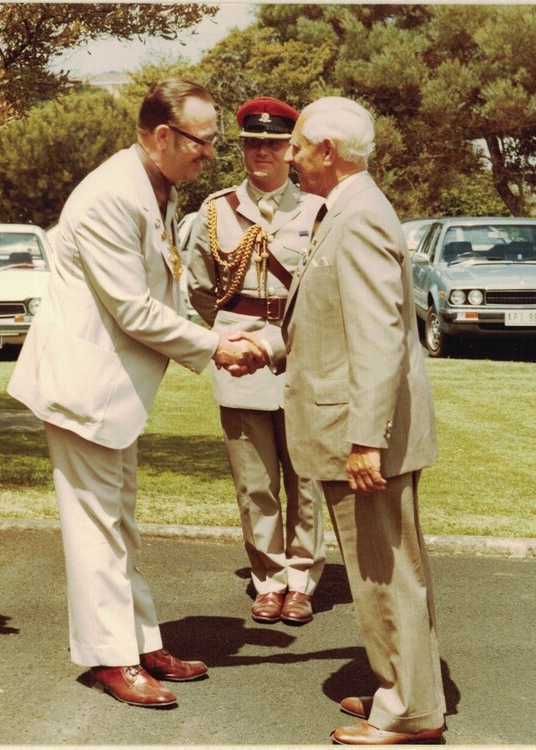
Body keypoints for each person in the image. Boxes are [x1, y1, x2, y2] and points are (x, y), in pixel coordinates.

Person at [8, 79, 265, 708]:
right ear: (159, 136)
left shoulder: (158, 187)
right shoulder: (109, 197)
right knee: (96, 529)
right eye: (202, 141)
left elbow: (166, 287)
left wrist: (220, 327)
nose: (210, 153)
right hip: (83, 388)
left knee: (119, 522)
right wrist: (214, 348)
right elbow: (132, 309)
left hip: (111, 392)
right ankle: (110, 659)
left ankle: (142, 642)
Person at [254, 96, 447, 744]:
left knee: (384, 574)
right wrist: (273, 345)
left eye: (299, 145)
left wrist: (366, 442)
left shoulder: (358, 217)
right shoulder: (351, 209)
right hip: (360, 430)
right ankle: (405, 688)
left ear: (327, 153)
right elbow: (334, 320)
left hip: (364, 438)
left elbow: (376, 337)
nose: (290, 155)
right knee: (389, 572)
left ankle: (409, 713)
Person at [184, 97, 326, 626]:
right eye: (251, 143)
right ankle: (268, 579)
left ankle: (302, 580)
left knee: (305, 476)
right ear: (242, 149)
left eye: (273, 143)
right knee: (254, 480)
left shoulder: (316, 208)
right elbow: (199, 287)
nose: (261, 152)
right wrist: (226, 336)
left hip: (301, 352)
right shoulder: (217, 210)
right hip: (238, 351)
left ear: (292, 150)